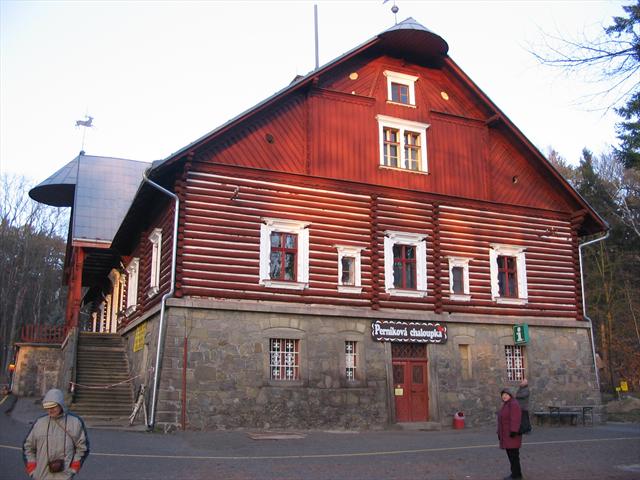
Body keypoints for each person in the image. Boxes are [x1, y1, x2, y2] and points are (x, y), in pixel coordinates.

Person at [23, 388, 90, 479]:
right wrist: (33, 470)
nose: (50, 410)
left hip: (64, 477)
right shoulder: (39, 423)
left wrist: (73, 468)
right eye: (47, 407)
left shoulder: (75, 422)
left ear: (61, 404)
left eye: (53, 406)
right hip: (41, 476)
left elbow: (82, 448)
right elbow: (28, 447)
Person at [497, 388, 523, 480]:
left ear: (510, 395)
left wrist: (513, 431)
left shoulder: (513, 404)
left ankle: (516, 475)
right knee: (512, 456)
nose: (504, 396)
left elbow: (515, 418)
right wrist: (499, 432)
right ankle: (516, 474)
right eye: (503, 395)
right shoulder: (506, 404)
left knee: (513, 456)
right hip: (507, 435)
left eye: (506, 394)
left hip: (512, 435)